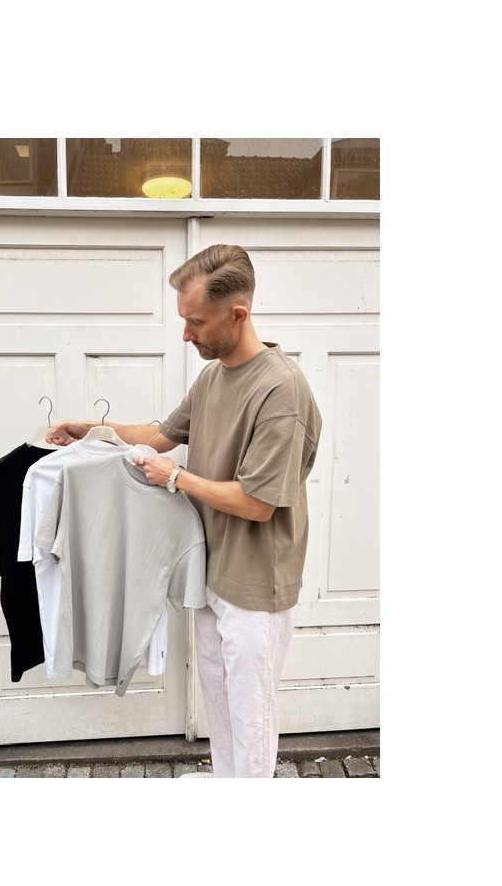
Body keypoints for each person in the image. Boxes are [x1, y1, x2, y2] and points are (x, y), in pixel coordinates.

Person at [47, 243, 322, 778]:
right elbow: (160, 435)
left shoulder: (281, 390)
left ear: (237, 314)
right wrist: (92, 429)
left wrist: (176, 477)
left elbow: (258, 503)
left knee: (252, 718)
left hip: (256, 585)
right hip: (211, 572)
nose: (185, 334)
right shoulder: (214, 377)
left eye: (197, 322)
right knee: (220, 708)